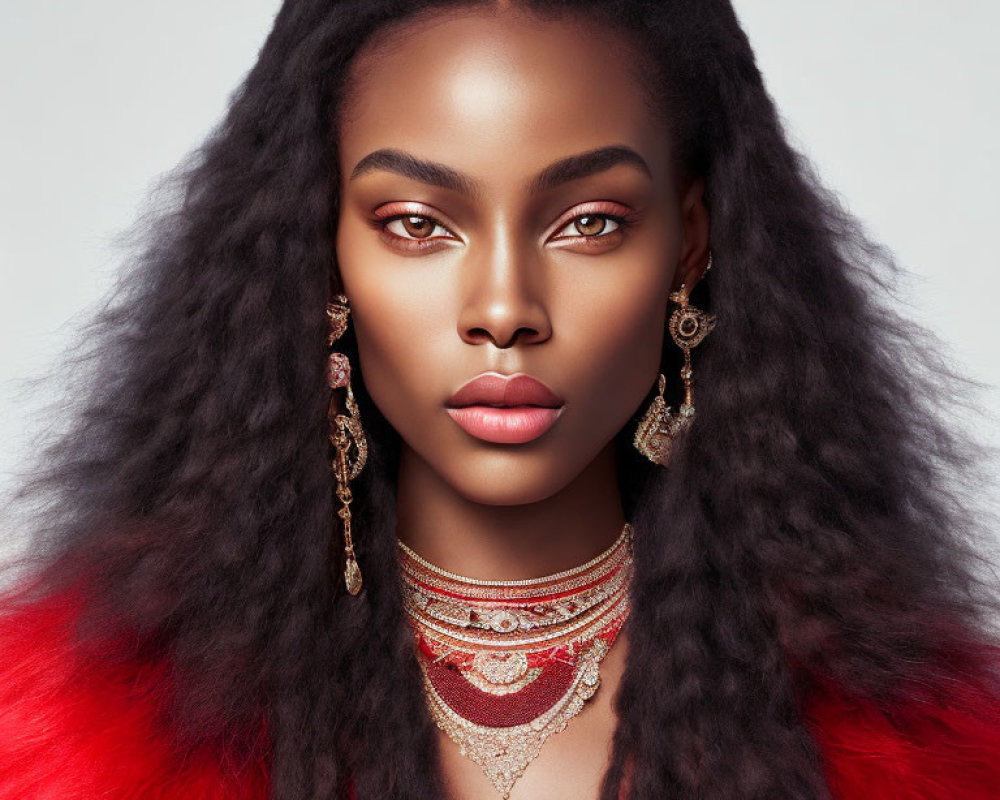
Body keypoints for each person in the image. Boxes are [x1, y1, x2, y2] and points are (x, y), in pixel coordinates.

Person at [1, 1, 998, 798]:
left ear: (690, 241)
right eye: (418, 223)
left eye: (589, 221)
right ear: (318, 244)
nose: (504, 308)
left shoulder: (921, 750)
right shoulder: (74, 733)